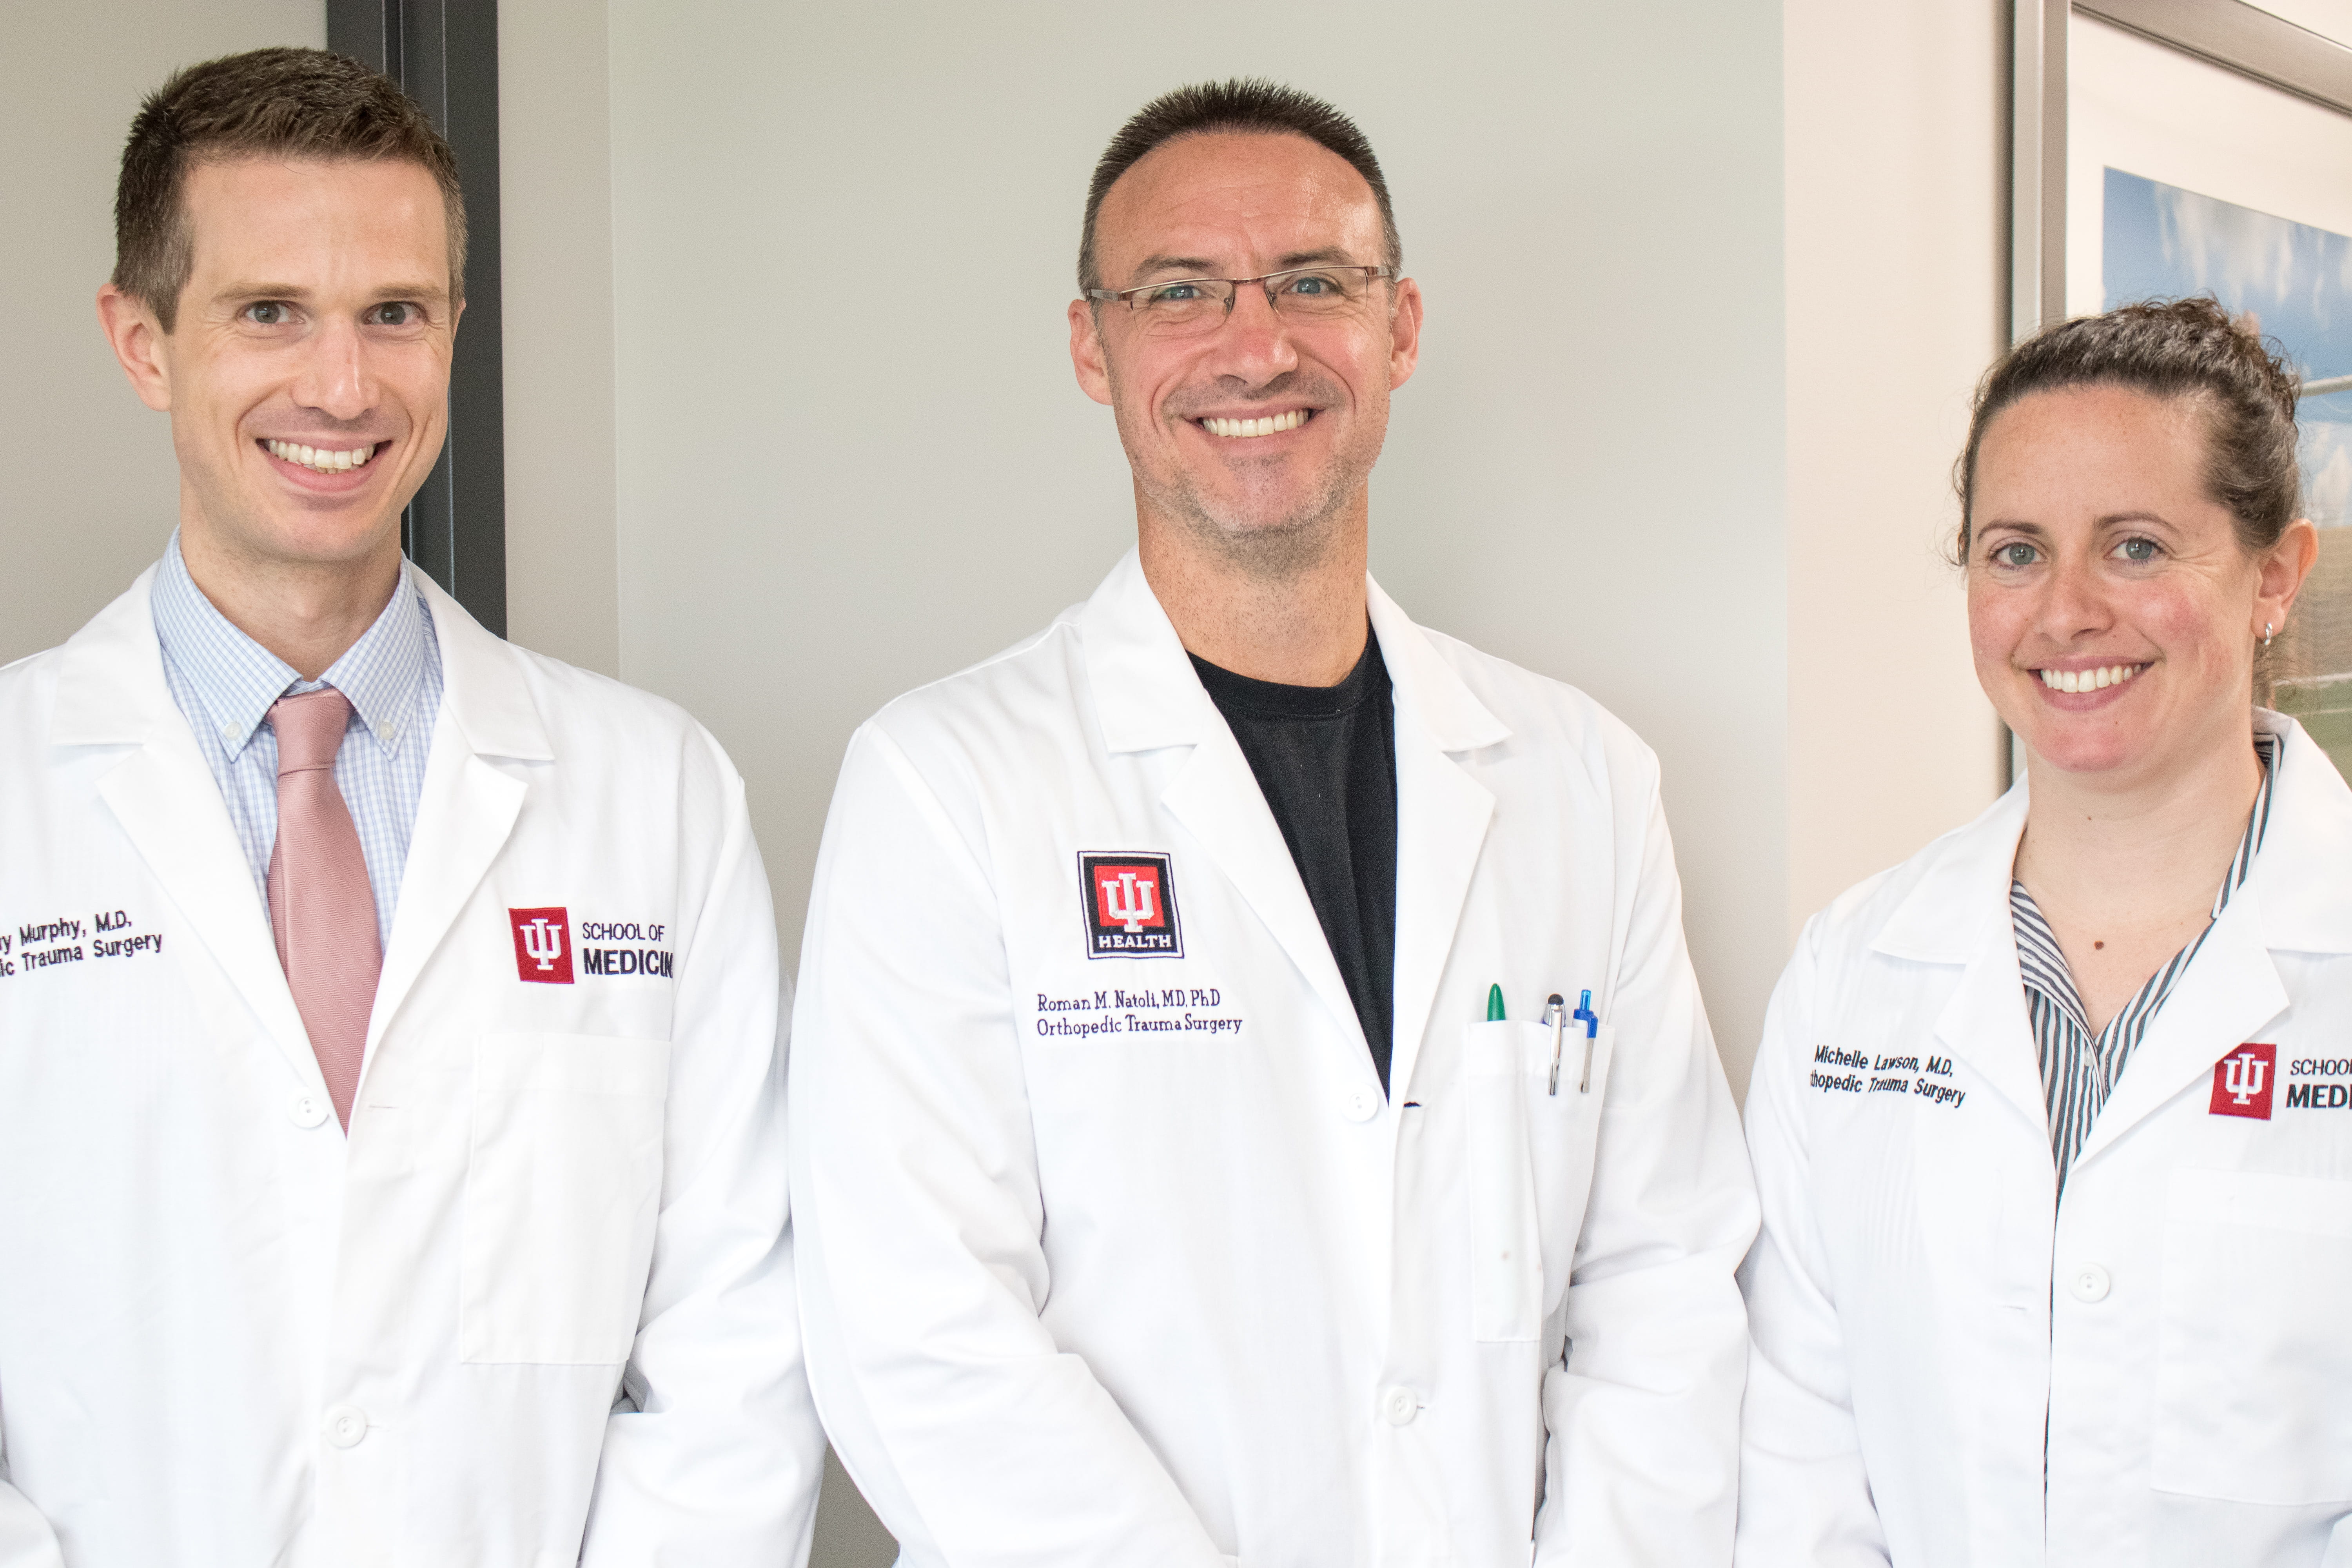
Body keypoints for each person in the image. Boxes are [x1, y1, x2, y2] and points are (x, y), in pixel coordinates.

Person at [790, 78, 1758, 1565]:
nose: (1258, 344)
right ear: (1091, 349)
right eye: (1180, 292)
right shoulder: (949, 782)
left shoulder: (1584, 780)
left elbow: (1667, 1281)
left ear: (1401, 330)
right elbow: (917, 1330)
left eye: (1315, 282)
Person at [0, 49, 821, 1566]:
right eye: (269, 313)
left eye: (396, 313)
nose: (342, 384)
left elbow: (738, 1338)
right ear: (141, 343)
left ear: (455, 332)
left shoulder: (654, 795)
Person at [1737, 297, 2348, 1566]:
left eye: (2135, 547)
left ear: (2273, 580)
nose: (2066, 612)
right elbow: (1801, 1442)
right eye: (2015, 552)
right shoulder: (1857, 968)